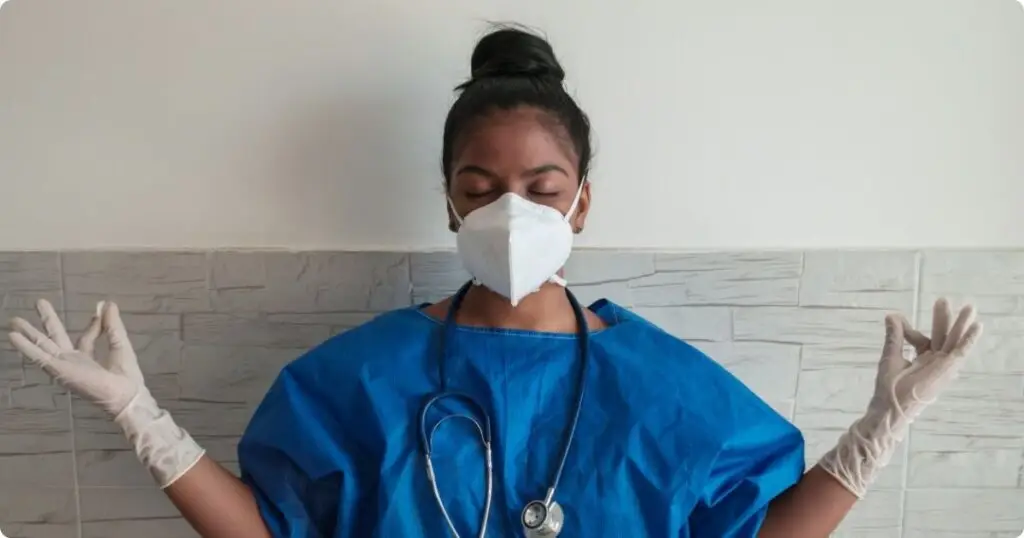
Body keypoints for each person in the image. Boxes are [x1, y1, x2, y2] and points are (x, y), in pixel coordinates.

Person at [7, 26, 983, 538]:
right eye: (480, 189)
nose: (509, 211)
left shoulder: (666, 389)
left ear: (582, 205)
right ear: (448, 204)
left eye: (539, 188)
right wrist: (142, 416)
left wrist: (876, 433)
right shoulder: (355, 381)